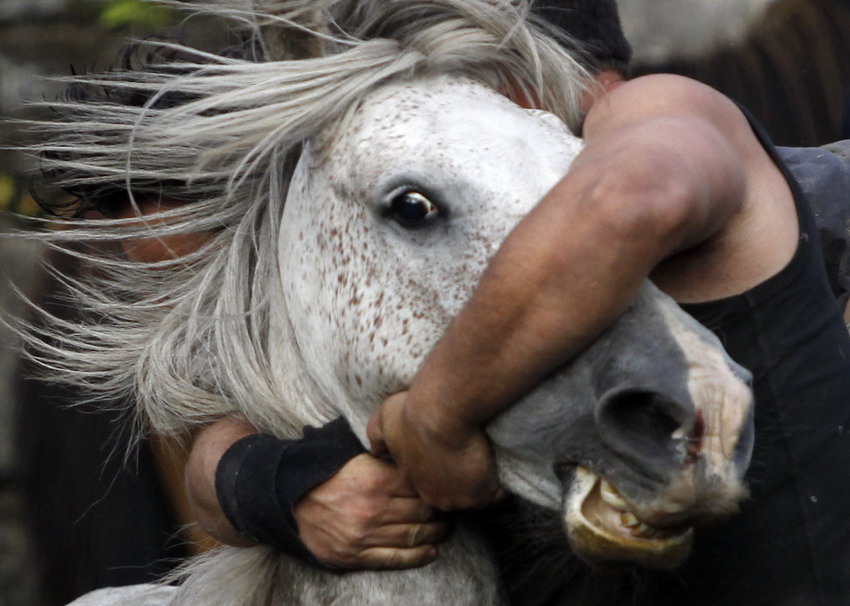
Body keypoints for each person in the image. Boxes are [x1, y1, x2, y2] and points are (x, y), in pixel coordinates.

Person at [190, 3, 850, 604]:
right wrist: (283, 488)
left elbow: (628, 202)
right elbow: (225, 434)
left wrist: (436, 417)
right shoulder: (440, 230)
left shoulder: (657, 115)